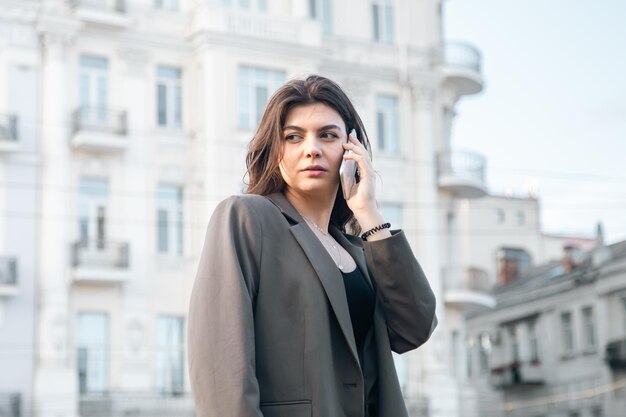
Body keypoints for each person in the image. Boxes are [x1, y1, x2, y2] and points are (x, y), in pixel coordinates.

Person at [188, 75, 437, 417]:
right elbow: (221, 371)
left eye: (328, 135)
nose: (312, 149)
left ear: (351, 150)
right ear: (276, 151)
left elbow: (415, 328)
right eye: (293, 137)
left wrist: (368, 212)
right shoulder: (247, 218)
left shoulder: (360, 251)